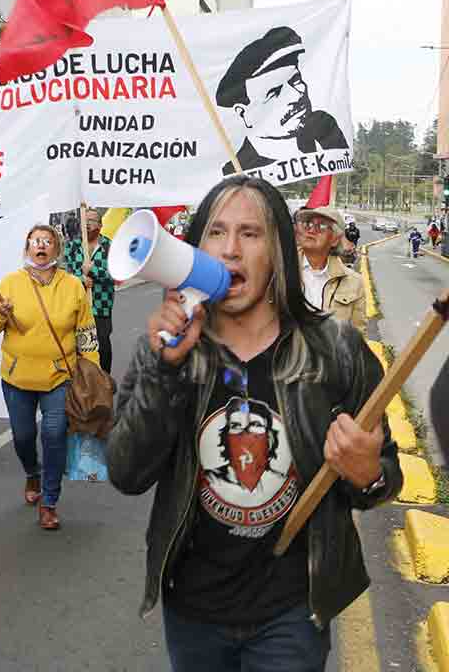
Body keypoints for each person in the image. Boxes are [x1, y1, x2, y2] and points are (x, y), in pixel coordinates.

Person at [107, 175, 402, 671]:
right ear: (196, 249)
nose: (231, 250)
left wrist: (367, 472)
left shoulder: (335, 350)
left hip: (290, 611)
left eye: (250, 233)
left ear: (278, 252)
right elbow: (126, 473)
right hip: (193, 611)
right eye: (217, 233)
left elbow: (385, 475)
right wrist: (165, 371)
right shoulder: (166, 350)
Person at [0, 225, 99, 531]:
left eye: (47, 242)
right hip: (17, 379)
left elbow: (86, 332)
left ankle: (49, 501)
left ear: (56, 249)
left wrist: (92, 372)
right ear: (27, 248)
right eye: (36, 242)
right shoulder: (10, 283)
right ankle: (31, 472)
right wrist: (0, 313)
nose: (41, 246)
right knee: (23, 437)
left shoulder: (73, 285)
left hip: (59, 378)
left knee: (53, 435)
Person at [216, 27, 349, 176]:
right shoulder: (234, 173)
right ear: (244, 113)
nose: (295, 94)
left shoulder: (324, 127)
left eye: (295, 80)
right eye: (275, 92)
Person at [295, 206, 366, 333]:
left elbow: (358, 338)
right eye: (308, 224)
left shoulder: (355, 283)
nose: (311, 230)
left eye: (321, 226)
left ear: (334, 240)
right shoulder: (281, 270)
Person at [62, 207, 115, 373]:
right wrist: (81, 279)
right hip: (78, 305)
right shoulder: (72, 246)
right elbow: (65, 274)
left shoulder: (109, 246)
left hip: (101, 306)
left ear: (100, 225)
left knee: (102, 344)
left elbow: (113, 274)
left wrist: (93, 271)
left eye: (90, 221)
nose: (86, 225)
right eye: (83, 221)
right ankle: (83, 384)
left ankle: (104, 379)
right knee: (79, 346)